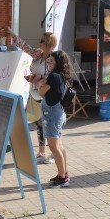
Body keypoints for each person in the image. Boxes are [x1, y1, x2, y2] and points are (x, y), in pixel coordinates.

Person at [10, 30, 57, 164]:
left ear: (49, 43)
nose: (40, 43)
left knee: (46, 123)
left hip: (46, 95)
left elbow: (55, 78)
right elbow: (25, 47)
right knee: (39, 123)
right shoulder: (38, 54)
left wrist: (38, 78)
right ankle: (43, 152)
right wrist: (12, 34)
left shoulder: (53, 59)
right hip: (35, 93)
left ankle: (53, 151)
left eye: (42, 41)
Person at [38, 51, 74, 187]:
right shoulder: (61, 76)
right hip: (57, 112)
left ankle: (63, 177)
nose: (49, 63)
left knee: (54, 147)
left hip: (52, 114)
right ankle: (63, 173)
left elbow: (41, 92)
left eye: (51, 61)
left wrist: (40, 84)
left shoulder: (53, 76)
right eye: (48, 61)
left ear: (58, 62)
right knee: (59, 145)